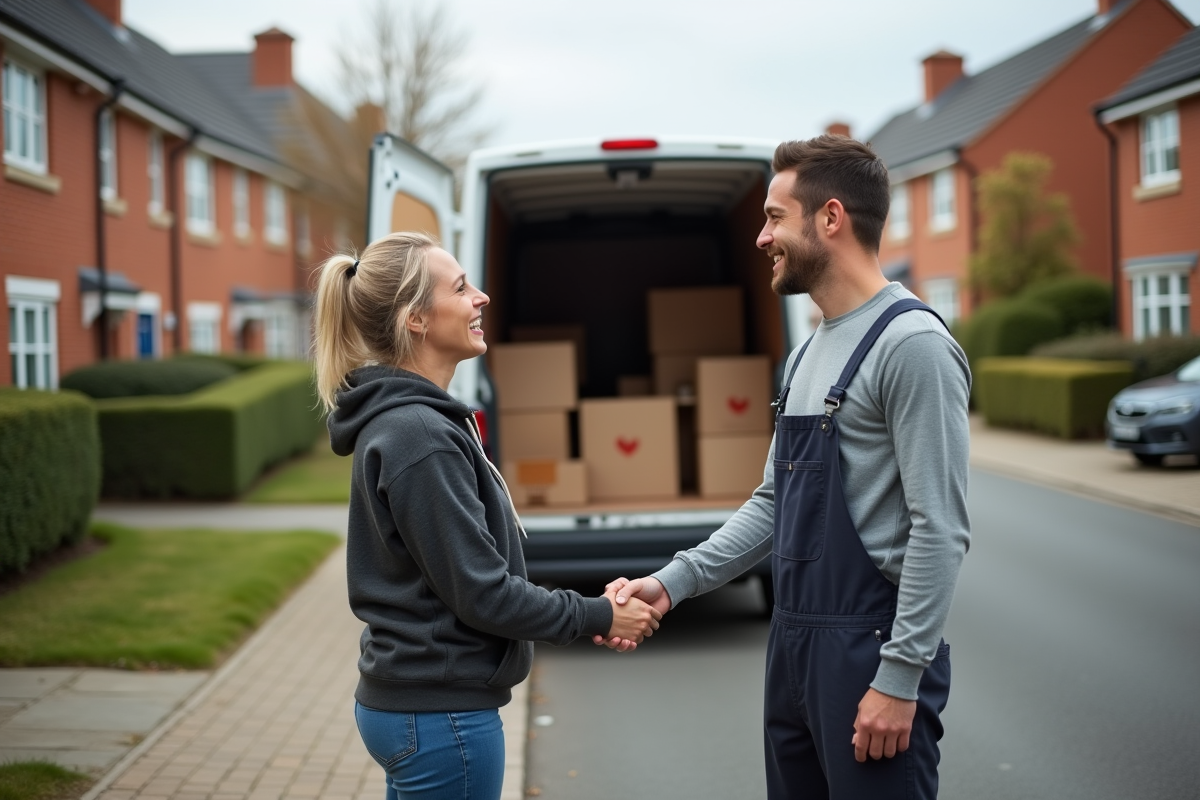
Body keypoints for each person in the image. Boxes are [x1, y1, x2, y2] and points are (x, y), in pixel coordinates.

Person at [601, 136, 971, 799]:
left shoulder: (911, 346)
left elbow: (938, 529)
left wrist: (899, 677)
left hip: (871, 653)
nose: (761, 237)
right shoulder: (805, 357)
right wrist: (672, 582)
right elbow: (774, 503)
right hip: (795, 647)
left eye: (774, 217)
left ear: (830, 218)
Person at [314, 231, 661, 800]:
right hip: (443, 717)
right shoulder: (419, 435)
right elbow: (483, 594)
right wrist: (599, 615)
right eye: (460, 288)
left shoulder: (413, 424)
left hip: (417, 707)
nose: (482, 298)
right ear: (416, 320)